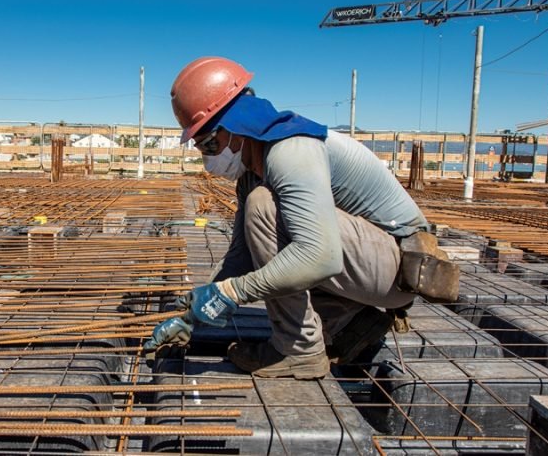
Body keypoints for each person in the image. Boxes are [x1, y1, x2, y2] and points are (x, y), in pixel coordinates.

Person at [143, 57, 439, 380]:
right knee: (265, 222)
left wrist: (232, 293)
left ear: (237, 128)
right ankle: (350, 322)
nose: (208, 159)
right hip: (366, 264)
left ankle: (300, 350)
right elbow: (241, 258)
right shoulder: (251, 174)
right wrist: (193, 318)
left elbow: (320, 257)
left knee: (264, 208)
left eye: (210, 144)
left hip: (401, 268)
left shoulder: (291, 151)